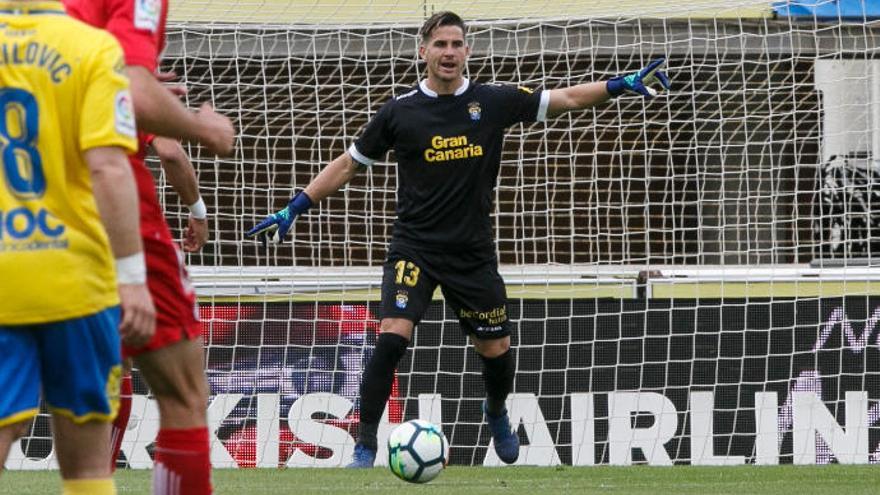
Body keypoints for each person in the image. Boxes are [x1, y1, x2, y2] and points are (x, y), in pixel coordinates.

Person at [246, 10, 670, 467]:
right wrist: (294, 206)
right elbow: (348, 164)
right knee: (391, 337)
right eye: (440, 44)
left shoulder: (493, 101)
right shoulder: (399, 112)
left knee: (496, 349)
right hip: (415, 249)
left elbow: (563, 97)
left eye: (457, 44)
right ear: (423, 52)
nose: (449, 53)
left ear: (467, 51)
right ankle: (366, 445)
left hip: (471, 253)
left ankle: (496, 410)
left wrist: (618, 85)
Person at [63, 0, 235, 492]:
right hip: (109, 189)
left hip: (33, 201)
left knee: (85, 390)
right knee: (183, 391)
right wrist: (205, 127)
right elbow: (149, 119)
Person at [0, 1, 154, 493]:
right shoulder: (92, 49)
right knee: (88, 465)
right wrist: (132, 279)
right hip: (76, 279)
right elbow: (109, 168)